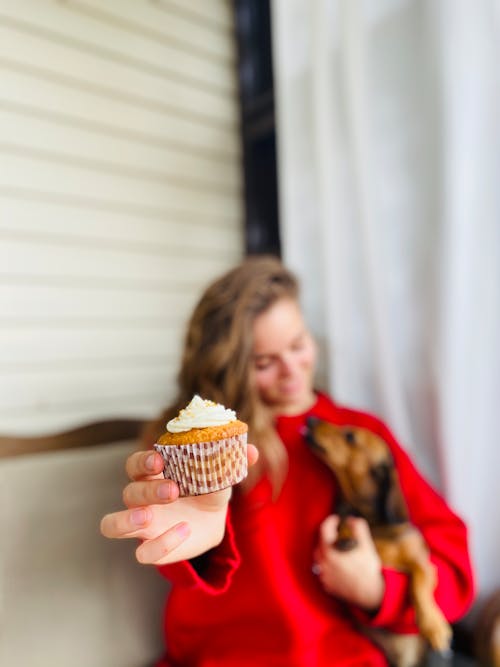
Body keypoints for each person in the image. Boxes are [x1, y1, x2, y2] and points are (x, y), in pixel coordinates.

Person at [100, 255, 475, 667]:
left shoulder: (360, 436)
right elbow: (183, 563)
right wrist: (189, 550)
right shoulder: (203, 446)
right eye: (264, 363)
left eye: (298, 345)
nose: (293, 370)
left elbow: (454, 567)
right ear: (230, 369)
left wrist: (377, 590)